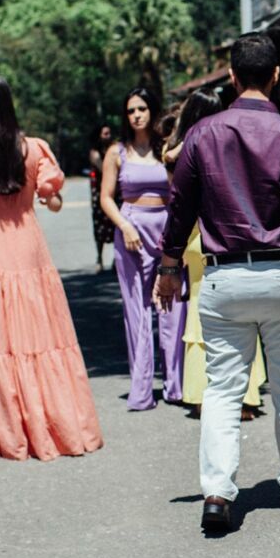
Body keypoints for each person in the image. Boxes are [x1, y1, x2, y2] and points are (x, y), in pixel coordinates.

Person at [155, 33, 280, 533]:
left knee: (223, 390)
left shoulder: (202, 134)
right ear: (277, 75)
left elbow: (180, 204)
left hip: (223, 277)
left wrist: (170, 262)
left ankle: (218, 493)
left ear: (230, 74)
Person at [0, 74, 104, 461]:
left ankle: (9, 431)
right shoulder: (33, 150)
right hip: (28, 250)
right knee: (43, 340)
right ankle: (57, 426)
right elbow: (53, 199)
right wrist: (49, 198)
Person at [168, 90, 265, 421]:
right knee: (239, 315)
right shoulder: (228, 146)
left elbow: (179, 196)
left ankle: (202, 392)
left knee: (200, 312)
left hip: (196, 235)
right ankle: (246, 395)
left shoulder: (181, 151)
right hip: (228, 232)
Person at [100, 87, 184, 411]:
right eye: (131, 110)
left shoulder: (167, 149)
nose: (136, 115)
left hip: (165, 230)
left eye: (142, 109)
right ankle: (142, 388)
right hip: (131, 232)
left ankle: (175, 386)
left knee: (172, 304)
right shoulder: (116, 152)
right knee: (136, 311)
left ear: (152, 111)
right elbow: (106, 197)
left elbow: (179, 190)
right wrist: (124, 225)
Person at [87, 123, 115, 270]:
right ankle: (99, 258)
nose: (108, 136)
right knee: (100, 227)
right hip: (100, 194)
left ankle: (117, 259)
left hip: (115, 192)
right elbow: (103, 168)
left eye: (109, 133)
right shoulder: (95, 152)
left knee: (116, 226)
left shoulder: (114, 149)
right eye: (105, 133)